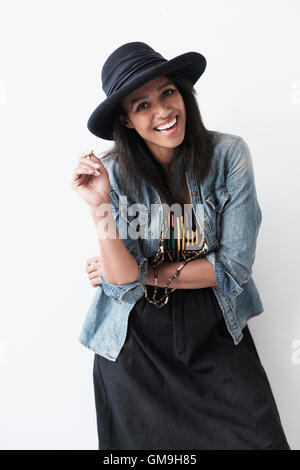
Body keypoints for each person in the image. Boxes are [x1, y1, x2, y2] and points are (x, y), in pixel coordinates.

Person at [71, 42, 291, 450]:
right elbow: (121, 287)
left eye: (168, 92)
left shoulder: (229, 155)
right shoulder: (114, 172)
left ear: (183, 94)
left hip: (214, 328)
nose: (163, 112)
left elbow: (233, 269)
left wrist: (139, 271)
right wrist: (100, 206)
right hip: (135, 345)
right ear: (127, 120)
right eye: (142, 105)